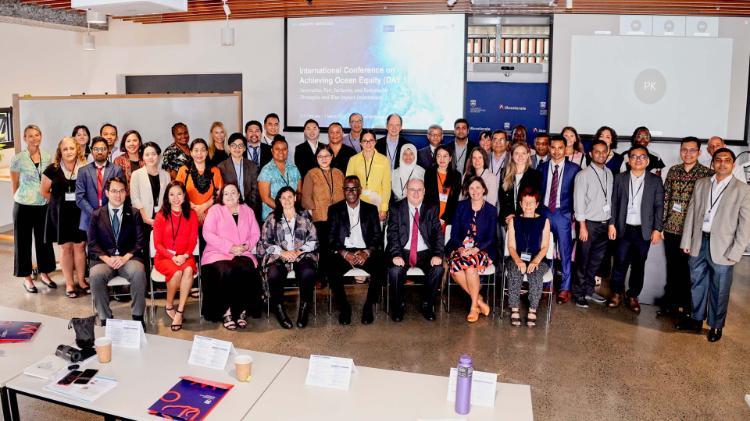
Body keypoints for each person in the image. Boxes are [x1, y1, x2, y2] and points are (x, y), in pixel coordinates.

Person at [677, 148, 750, 342]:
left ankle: (716, 326)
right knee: (697, 283)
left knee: (720, 289)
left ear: (733, 165)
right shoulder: (701, 184)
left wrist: (736, 252)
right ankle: (696, 319)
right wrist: (687, 241)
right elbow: (691, 213)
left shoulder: (743, 189)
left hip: (724, 248)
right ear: (713, 163)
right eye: (718, 160)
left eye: (727, 160)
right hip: (699, 241)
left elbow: (746, 225)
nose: (722, 163)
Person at [607, 145, 664, 312]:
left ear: (647, 161)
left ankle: (633, 295)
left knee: (639, 264)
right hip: (623, 228)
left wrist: (657, 229)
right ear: (628, 160)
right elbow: (614, 203)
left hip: (643, 229)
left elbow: (659, 206)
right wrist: (611, 223)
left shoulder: (655, 180)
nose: (638, 159)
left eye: (642, 157)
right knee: (619, 262)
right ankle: (617, 293)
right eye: (634, 156)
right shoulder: (620, 178)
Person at [660, 137, 713, 317]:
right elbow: (666, 199)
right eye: (684, 149)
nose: (687, 153)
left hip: (692, 232)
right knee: (673, 268)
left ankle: (688, 308)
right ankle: (671, 305)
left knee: (690, 271)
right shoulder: (673, 171)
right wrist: (661, 226)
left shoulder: (707, 174)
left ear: (699, 152)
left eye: (692, 150)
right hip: (671, 229)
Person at [201, 183, 263, 330]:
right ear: (221, 197)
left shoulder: (247, 210)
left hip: (243, 251)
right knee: (226, 270)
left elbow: (256, 233)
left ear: (239, 195)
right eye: (226, 193)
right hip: (217, 252)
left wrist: (246, 246)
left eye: (233, 193)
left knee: (247, 268)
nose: (230, 196)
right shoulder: (215, 210)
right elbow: (207, 234)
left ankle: (241, 310)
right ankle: (226, 311)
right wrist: (229, 247)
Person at [87, 177, 147, 324]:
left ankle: (138, 317)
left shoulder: (134, 213)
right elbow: (92, 243)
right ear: (107, 193)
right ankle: (105, 318)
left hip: (128, 258)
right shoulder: (96, 215)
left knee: (138, 272)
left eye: (121, 191)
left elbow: (140, 241)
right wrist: (107, 259)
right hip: (104, 260)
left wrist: (125, 257)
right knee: (95, 275)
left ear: (126, 193)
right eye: (114, 191)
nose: (118, 195)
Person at [258, 187, 318, 329]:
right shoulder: (272, 218)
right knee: (273, 273)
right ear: (279, 201)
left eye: (290, 197)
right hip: (279, 256)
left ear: (295, 198)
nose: (287, 200)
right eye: (283, 198)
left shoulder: (305, 217)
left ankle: (304, 309)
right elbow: (264, 243)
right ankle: (279, 310)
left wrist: (298, 251)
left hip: (301, 255)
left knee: (308, 272)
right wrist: (282, 252)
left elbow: (314, 241)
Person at [328, 176, 384, 325]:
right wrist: (344, 253)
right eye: (347, 188)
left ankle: (368, 306)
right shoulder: (334, 210)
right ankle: (344, 307)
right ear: (343, 191)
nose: (351, 191)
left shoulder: (371, 209)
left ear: (359, 190)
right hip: (344, 251)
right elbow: (331, 239)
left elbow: (378, 236)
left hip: (364, 250)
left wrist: (367, 252)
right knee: (332, 270)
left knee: (380, 267)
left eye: (354, 188)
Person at [386, 179, 445, 322]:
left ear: (424, 191)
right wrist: (396, 254)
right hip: (403, 251)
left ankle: (427, 304)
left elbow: (438, 234)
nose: (416, 193)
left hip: (425, 253)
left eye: (420, 190)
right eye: (412, 189)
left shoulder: (431, 208)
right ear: (406, 191)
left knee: (437, 269)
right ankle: (398, 305)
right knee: (394, 271)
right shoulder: (396, 208)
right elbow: (392, 234)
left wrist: (437, 254)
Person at [40, 137, 89, 298]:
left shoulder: (85, 168)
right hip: (61, 216)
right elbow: (44, 192)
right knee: (66, 248)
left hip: (80, 214)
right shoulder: (52, 169)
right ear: (60, 151)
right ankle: (69, 283)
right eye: (65, 149)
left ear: (77, 150)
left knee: (80, 247)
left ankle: (81, 281)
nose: (69, 152)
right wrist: (57, 205)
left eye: (71, 148)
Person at [11, 125, 56, 293]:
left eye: (37, 135)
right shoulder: (18, 158)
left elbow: (48, 180)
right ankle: (27, 278)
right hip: (23, 206)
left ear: (41, 136)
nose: (34, 138)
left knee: (44, 242)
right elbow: (14, 183)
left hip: (42, 205)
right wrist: (20, 198)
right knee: (23, 243)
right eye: (30, 136)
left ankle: (44, 273)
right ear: (25, 138)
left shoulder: (47, 155)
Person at [446, 176, 497, 322]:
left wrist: (475, 249)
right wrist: (461, 248)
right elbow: (454, 233)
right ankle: (478, 301)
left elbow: (491, 237)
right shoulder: (461, 206)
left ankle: (473, 307)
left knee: (469, 267)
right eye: (471, 188)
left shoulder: (491, 210)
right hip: (460, 247)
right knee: (455, 267)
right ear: (468, 191)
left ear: (484, 189)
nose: (475, 191)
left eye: (478, 187)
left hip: (482, 249)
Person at [538, 136, 580, 304]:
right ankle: (544, 284)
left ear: (566, 149)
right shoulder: (541, 168)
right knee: (543, 250)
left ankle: (564, 288)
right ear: (549, 148)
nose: (556, 151)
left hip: (563, 214)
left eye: (560, 148)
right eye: (553, 147)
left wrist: (573, 215)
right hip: (544, 212)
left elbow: (578, 194)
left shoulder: (574, 169)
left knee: (565, 252)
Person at [153, 181, 199, 331]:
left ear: (184, 196)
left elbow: (193, 239)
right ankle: (169, 304)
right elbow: (157, 244)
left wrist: (185, 256)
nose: (176, 198)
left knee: (187, 270)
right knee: (177, 271)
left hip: (186, 256)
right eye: (171, 194)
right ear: (167, 197)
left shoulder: (191, 214)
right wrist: (172, 257)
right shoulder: (160, 216)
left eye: (179, 194)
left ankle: (179, 311)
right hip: (165, 257)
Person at [572, 140, 613, 307]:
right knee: (583, 261)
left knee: (596, 261)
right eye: (597, 152)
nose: (601, 155)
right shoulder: (583, 175)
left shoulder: (609, 173)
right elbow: (579, 202)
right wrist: (582, 226)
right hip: (588, 224)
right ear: (590, 154)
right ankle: (578, 293)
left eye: (604, 152)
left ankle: (589, 291)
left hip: (604, 224)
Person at [505, 188, 551, 327]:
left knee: (535, 274)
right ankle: (514, 308)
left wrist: (535, 261)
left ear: (537, 204)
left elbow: (545, 247)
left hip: (538, 259)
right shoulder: (514, 221)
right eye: (525, 202)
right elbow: (511, 247)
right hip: (516, 257)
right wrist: (518, 261)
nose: (528, 206)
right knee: (514, 271)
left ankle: (532, 309)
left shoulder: (544, 221)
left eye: (531, 203)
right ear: (520, 203)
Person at [301, 145, 345, 284]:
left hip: (338, 218)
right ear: (316, 158)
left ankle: (333, 276)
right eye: (320, 156)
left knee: (336, 249)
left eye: (327, 156)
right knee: (324, 248)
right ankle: (320, 277)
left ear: (332, 157)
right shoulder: (311, 173)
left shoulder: (339, 173)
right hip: (320, 217)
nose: (324, 159)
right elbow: (306, 197)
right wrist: (313, 216)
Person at [76, 136, 125, 233]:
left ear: (108, 151)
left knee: (111, 247)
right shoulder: (83, 171)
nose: (99, 152)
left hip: (111, 216)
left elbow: (120, 194)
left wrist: (105, 214)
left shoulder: (116, 170)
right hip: (90, 218)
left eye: (103, 149)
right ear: (91, 150)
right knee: (92, 248)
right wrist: (94, 213)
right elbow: (79, 197)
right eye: (96, 149)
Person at [346, 129, 391, 221]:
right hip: (357, 203)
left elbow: (387, 186)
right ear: (360, 143)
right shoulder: (353, 160)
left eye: (371, 140)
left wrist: (384, 208)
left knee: (375, 234)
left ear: (375, 142)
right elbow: (348, 185)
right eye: (365, 141)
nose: (368, 143)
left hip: (377, 204)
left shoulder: (384, 160)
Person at [175, 138, 223, 224]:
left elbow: (219, 193)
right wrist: (195, 210)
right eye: (196, 150)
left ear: (207, 152)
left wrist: (203, 207)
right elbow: (177, 193)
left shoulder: (215, 170)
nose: (199, 153)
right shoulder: (183, 170)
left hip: (210, 217)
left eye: (203, 150)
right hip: (188, 216)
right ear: (191, 152)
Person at [217, 133, 261, 224]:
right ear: (229, 147)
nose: (237, 148)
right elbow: (221, 191)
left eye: (240, 146)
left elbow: (255, 191)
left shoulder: (252, 166)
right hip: (228, 208)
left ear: (244, 148)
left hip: (249, 207)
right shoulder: (221, 167)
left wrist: (249, 209)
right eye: (234, 145)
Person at [258, 135, 303, 221]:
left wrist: (293, 210)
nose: (281, 152)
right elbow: (266, 198)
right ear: (272, 150)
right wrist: (284, 210)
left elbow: (299, 193)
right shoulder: (266, 170)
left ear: (287, 151)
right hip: (273, 217)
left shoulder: (294, 168)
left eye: (284, 149)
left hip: (293, 216)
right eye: (277, 149)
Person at [130, 142, 171, 232]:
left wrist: (162, 217)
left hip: (162, 218)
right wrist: (145, 218)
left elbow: (168, 198)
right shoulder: (136, 174)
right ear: (142, 157)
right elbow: (135, 199)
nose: (150, 157)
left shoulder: (166, 175)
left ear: (158, 156)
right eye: (147, 155)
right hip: (142, 219)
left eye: (153, 154)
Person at [498, 142, 542, 224]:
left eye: (523, 153)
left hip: (527, 219)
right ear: (512, 155)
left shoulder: (535, 175)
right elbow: (502, 199)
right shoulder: (504, 173)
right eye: (517, 153)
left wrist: (517, 217)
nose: (520, 156)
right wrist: (508, 217)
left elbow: (535, 200)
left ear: (528, 155)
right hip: (507, 219)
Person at [424, 145, 461, 232]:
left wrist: (444, 218)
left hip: (448, 218)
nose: (442, 159)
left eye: (445, 156)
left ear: (450, 158)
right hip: (432, 217)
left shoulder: (456, 175)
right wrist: (435, 218)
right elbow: (427, 197)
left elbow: (454, 200)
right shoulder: (429, 173)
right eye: (439, 156)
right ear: (435, 157)